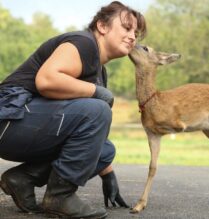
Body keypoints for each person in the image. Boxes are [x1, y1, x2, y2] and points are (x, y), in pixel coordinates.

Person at [0, 1, 146, 218]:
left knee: (105, 151)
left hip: (24, 126)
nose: (133, 36)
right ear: (102, 26)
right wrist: (97, 93)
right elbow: (47, 80)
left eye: (136, 32)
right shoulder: (83, 43)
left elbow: (87, 131)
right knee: (98, 109)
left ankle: (23, 179)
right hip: (8, 118)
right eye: (126, 27)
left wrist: (108, 175)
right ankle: (60, 197)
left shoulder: (99, 71)